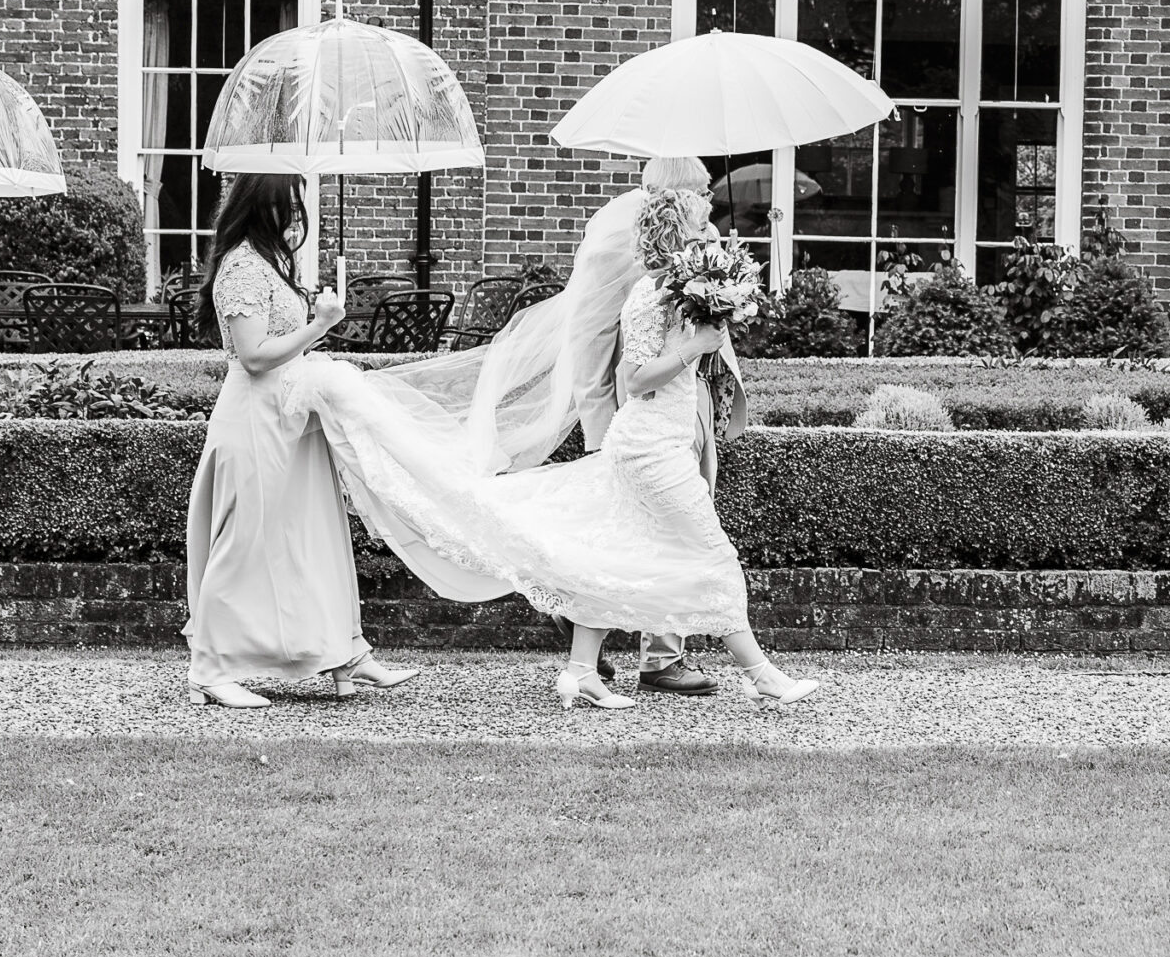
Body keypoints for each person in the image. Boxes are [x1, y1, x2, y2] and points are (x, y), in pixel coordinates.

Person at [287, 187, 816, 710]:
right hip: (649, 450)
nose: (712, 234)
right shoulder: (649, 297)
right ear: (678, 235)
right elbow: (635, 381)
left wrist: (712, 324)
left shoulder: (682, 297)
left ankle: (581, 671)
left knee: (614, 555)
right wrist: (692, 349)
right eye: (702, 226)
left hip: (664, 445)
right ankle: (761, 675)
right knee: (714, 556)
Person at [183, 173, 419, 709]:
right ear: (260, 207)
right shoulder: (242, 265)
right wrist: (320, 326)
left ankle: (343, 653)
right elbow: (254, 355)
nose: (295, 219)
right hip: (256, 420)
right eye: (287, 207)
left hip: (292, 419)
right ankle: (211, 669)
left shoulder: (270, 262)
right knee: (246, 542)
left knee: (312, 538)